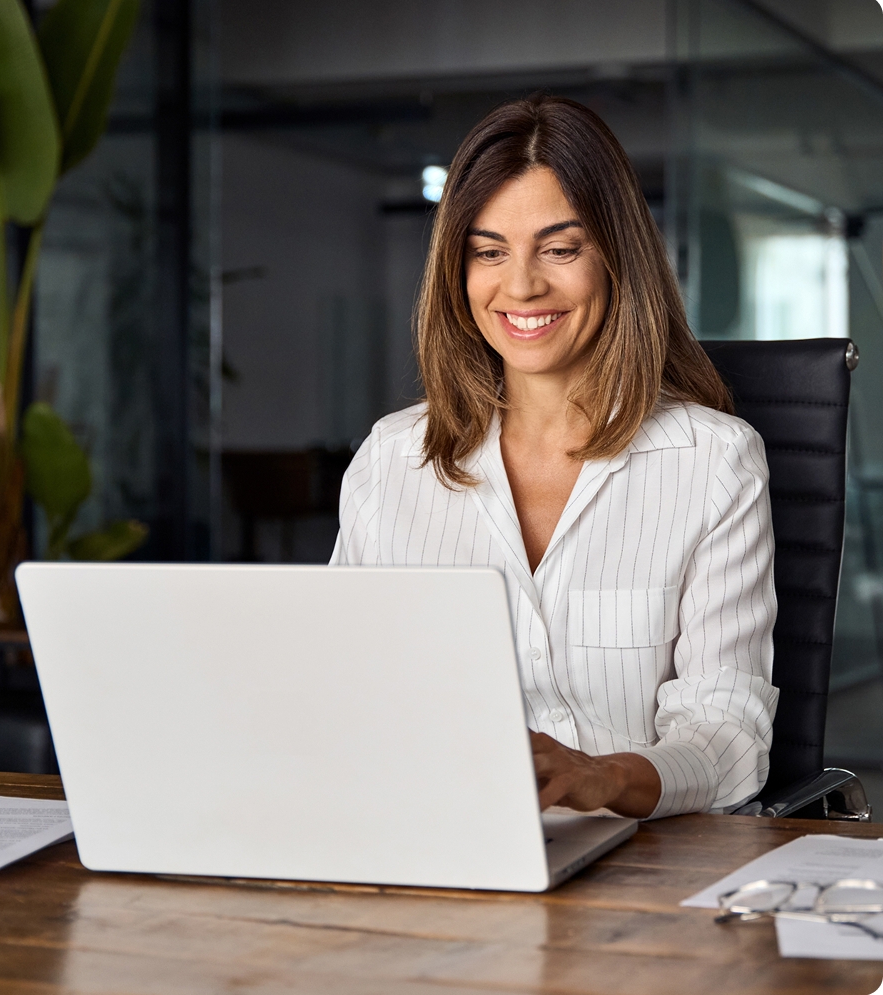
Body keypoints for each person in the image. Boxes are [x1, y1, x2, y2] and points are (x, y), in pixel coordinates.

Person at [330, 96, 778, 820]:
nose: (522, 285)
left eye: (560, 248)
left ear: (615, 257)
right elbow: (340, 692)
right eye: (489, 251)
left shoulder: (714, 462)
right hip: (437, 842)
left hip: (641, 865)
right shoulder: (392, 461)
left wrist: (604, 776)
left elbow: (729, 737)